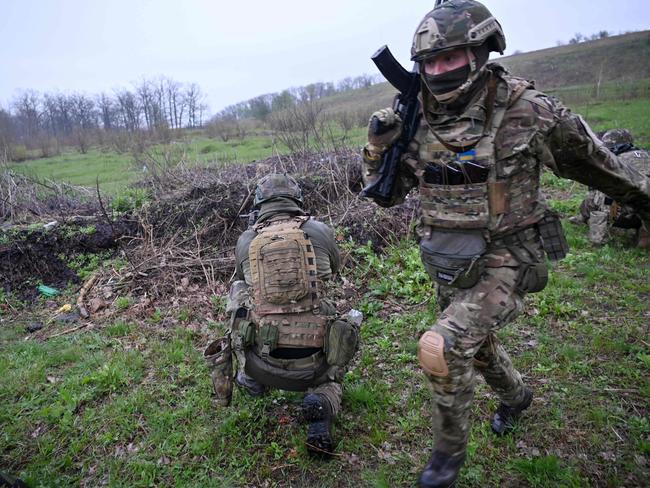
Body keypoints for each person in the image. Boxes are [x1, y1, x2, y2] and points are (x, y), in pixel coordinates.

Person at [361, 1, 650, 486]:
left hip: (510, 255)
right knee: (477, 347)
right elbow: (385, 195)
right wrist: (376, 148)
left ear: (481, 52)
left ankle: (444, 466)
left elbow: (603, 167)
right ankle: (516, 397)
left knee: (443, 345)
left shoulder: (529, 111)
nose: (438, 71)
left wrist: (644, 200)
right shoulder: (417, 118)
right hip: (450, 259)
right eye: (429, 61)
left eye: (450, 58)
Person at [218, 173, 360, 454]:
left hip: (261, 362)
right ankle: (323, 397)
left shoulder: (247, 240)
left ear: (259, 205)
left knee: (239, 292)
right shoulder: (319, 230)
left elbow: (244, 284)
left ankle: (252, 380)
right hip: (313, 367)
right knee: (342, 319)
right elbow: (334, 271)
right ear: (296, 200)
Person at [572, 128, 650, 246]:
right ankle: (644, 231)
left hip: (626, 213)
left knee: (596, 195)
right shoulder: (646, 154)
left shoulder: (612, 161)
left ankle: (593, 230)